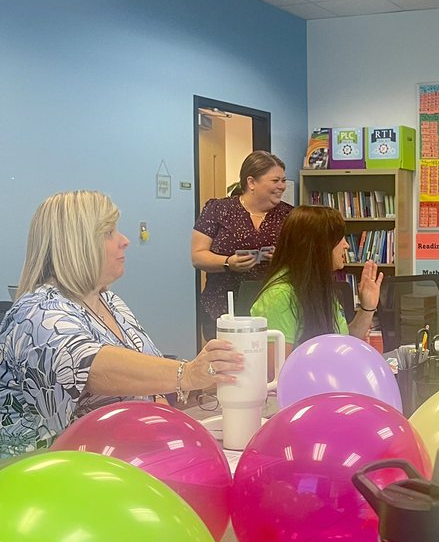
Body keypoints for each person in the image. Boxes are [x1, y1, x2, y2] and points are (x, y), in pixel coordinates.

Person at [0, 191, 242, 458]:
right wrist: (187, 374)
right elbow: (86, 366)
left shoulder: (109, 300)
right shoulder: (36, 311)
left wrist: (167, 421)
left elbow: (147, 377)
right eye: (109, 232)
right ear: (75, 244)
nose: (124, 241)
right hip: (49, 474)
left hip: (120, 460)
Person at [250, 205, 382, 352]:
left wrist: (367, 308)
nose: (347, 245)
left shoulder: (317, 285)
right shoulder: (279, 296)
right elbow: (279, 370)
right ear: (319, 246)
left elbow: (343, 343)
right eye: (340, 239)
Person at [191, 151, 292, 339]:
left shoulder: (290, 216)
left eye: (283, 181)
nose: (281, 186)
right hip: (222, 307)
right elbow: (198, 256)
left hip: (272, 306)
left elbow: (302, 258)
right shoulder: (218, 209)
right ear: (251, 182)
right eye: (275, 180)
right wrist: (228, 262)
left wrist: (283, 257)